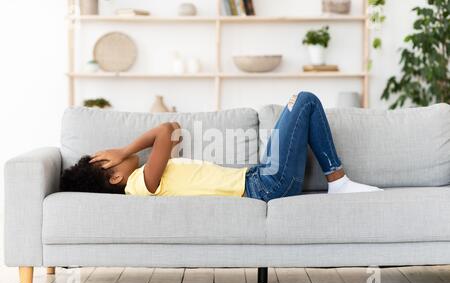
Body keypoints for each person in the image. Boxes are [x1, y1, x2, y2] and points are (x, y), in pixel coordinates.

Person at [60, 92, 382, 201]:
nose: (118, 154)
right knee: (305, 100)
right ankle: (338, 183)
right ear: (114, 176)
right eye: (110, 159)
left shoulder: (145, 175)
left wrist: (123, 155)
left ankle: (338, 183)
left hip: (261, 178)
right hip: (264, 186)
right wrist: (125, 148)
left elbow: (172, 130)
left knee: (302, 102)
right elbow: (161, 131)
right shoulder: (140, 185)